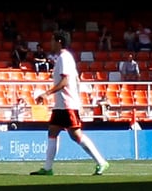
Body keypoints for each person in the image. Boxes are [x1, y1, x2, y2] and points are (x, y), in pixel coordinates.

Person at [31, 37, 109, 177]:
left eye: (53, 41)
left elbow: (66, 80)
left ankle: (101, 161)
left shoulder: (64, 57)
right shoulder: (64, 58)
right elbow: (76, 79)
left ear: (59, 41)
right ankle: (47, 168)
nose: (51, 44)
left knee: (76, 135)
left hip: (67, 104)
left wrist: (47, 93)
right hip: (61, 105)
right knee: (52, 132)